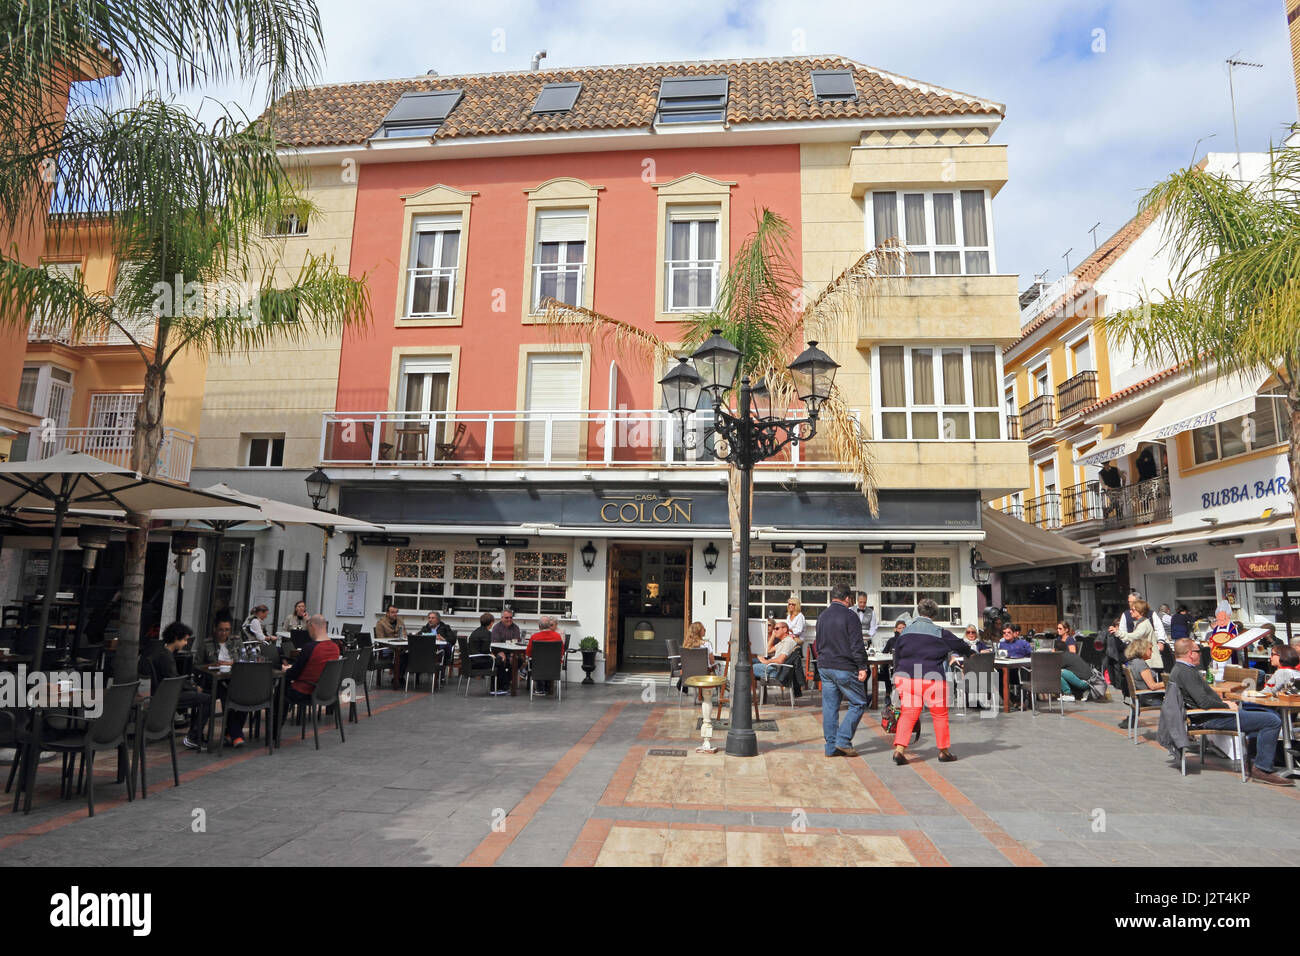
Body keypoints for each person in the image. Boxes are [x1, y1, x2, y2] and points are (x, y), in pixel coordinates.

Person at [1165, 637, 1290, 786]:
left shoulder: (1179, 669)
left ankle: (1253, 761)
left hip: (1209, 714)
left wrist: (1223, 703)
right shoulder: (1186, 672)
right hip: (1211, 717)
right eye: (1198, 651)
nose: (1201, 654)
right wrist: (1227, 706)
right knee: (1272, 721)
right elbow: (1204, 702)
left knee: (1268, 716)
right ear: (1191, 653)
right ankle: (1262, 768)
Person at [890, 598, 971, 765]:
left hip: (906, 676)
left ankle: (899, 750)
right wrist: (971, 652)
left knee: (908, 713)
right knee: (939, 714)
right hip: (931, 677)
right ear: (934, 614)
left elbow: (896, 655)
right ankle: (943, 751)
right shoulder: (939, 632)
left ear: (919, 612)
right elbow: (961, 645)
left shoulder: (905, 632)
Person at [814, 583, 869, 759]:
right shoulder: (850, 616)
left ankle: (831, 747)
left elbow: (818, 642)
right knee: (859, 702)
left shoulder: (822, 616)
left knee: (830, 707)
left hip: (825, 665)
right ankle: (843, 740)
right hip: (844, 666)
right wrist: (862, 666)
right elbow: (856, 645)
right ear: (847, 599)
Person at [146, 621, 212, 751]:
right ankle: (194, 736)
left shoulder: (163, 653)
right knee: (207, 699)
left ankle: (195, 734)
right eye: (185, 640)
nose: (186, 643)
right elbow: (174, 679)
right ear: (176, 638)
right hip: (168, 695)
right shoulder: (166, 657)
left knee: (202, 697)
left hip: (165, 692)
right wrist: (193, 688)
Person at [282, 614, 342, 720]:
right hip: (326, 692)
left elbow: (294, 674)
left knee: (281, 687)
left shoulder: (310, 648)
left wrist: (286, 670)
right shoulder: (335, 648)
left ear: (312, 626)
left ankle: (274, 728)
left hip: (306, 692)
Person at [468, 612, 510, 695]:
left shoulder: (475, 632)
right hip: (479, 662)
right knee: (500, 661)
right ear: (491, 623)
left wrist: (493, 656)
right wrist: (493, 656)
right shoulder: (487, 634)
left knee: (498, 660)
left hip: (472, 660)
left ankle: (499, 686)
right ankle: (498, 688)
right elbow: (485, 650)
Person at [525, 614, 564, 694]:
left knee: (536, 662)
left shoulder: (534, 637)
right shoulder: (557, 636)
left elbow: (528, 653)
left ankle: (540, 688)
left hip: (538, 666)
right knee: (547, 662)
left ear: (539, 626)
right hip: (554, 666)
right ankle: (547, 688)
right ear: (549, 626)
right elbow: (561, 652)